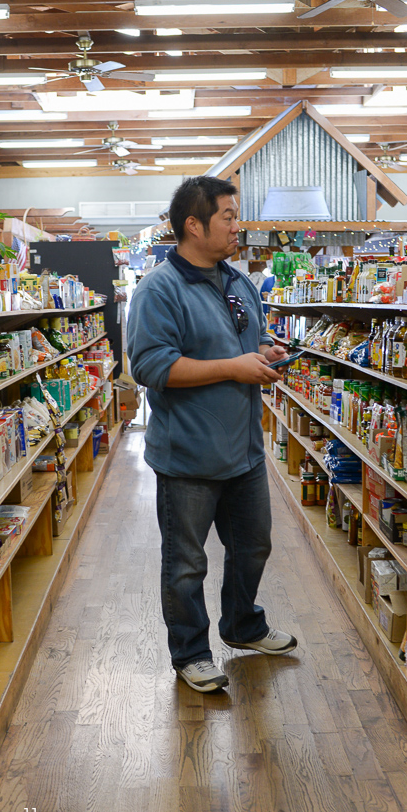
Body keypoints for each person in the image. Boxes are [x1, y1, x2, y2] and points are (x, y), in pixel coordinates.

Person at [127, 176, 297, 693]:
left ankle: (242, 626)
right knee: (186, 563)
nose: (236, 224)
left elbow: (248, 339)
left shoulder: (237, 280)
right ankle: (191, 653)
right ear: (193, 225)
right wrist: (233, 368)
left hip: (243, 449)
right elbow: (151, 367)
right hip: (188, 456)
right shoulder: (159, 289)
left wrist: (263, 355)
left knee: (253, 546)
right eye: (227, 215)